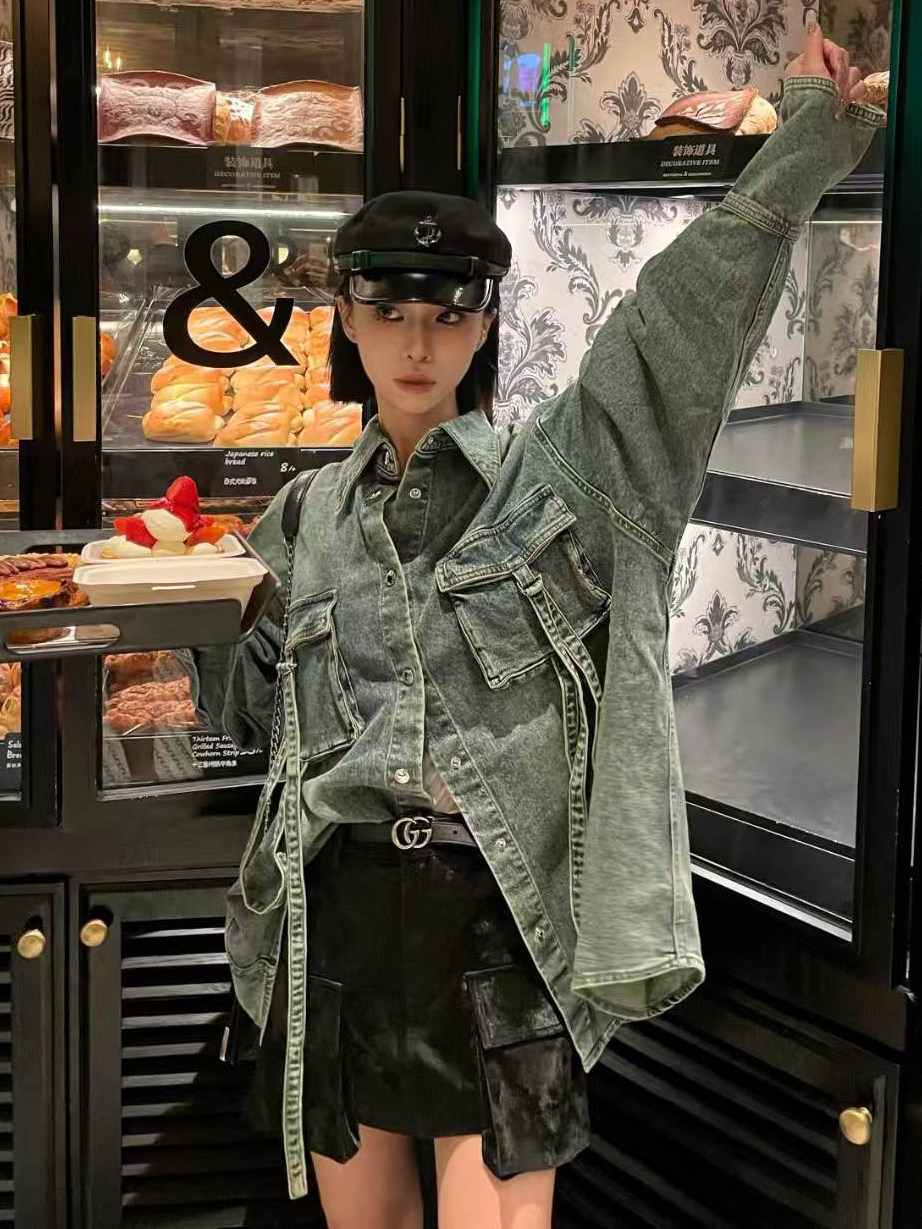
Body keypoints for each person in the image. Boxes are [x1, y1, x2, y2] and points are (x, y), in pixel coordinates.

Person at [191, 17, 883, 1229]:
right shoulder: (303, 518)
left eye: (446, 310)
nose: (417, 340)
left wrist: (816, 135)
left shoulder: (570, 476)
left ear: (482, 321)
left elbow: (686, 309)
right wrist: (204, 606)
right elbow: (250, 723)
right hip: (335, 920)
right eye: (387, 308)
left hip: (496, 927)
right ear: (345, 318)